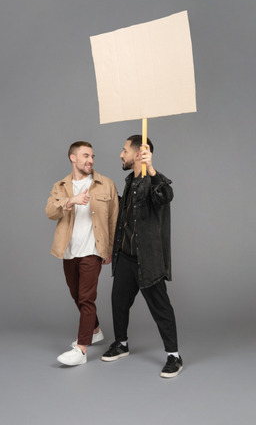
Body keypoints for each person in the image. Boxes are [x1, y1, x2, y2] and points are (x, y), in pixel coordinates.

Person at [101, 135, 183, 378]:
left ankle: (174, 356)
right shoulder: (130, 181)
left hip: (148, 260)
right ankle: (122, 344)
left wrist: (154, 169)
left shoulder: (152, 181)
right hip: (126, 256)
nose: (120, 154)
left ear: (139, 154)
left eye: (124, 150)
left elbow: (166, 195)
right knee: (118, 302)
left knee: (161, 308)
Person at [45, 141, 118, 366]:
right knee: (76, 295)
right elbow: (49, 212)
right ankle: (94, 330)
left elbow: (114, 219)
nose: (91, 160)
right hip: (68, 251)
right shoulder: (60, 186)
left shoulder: (105, 184)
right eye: (86, 156)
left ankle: (81, 350)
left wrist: (110, 250)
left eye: (93, 156)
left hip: (92, 250)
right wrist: (70, 201)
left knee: (86, 298)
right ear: (72, 158)